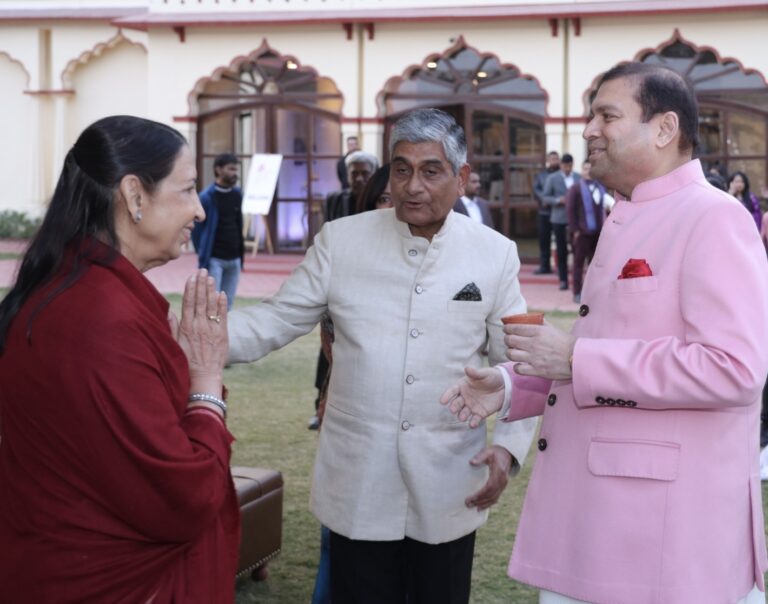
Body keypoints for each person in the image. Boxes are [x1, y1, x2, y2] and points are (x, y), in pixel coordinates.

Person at [441, 62, 768, 603]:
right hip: (603, 519)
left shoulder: (713, 218)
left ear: (664, 129)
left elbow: (733, 369)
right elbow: (604, 350)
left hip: (663, 538)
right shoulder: (631, 215)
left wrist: (574, 360)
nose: (589, 129)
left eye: (606, 115)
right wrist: (508, 383)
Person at [228, 107, 536, 603]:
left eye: (430, 170)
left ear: (460, 179)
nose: (412, 186)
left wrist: (508, 448)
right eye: (402, 168)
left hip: (451, 482)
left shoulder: (493, 252)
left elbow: (518, 366)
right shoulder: (342, 241)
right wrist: (190, 341)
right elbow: (274, 320)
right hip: (359, 482)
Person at [0, 116, 238, 603]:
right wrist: (206, 382)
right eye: (188, 189)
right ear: (134, 196)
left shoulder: (74, 288)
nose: (198, 210)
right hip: (110, 581)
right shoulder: (101, 318)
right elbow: (183, 500)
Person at [191, 152, 244, 309]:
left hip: (234, 259)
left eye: (236, 169)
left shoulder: (237, 194)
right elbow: (197, 230)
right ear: (219, 169)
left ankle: (224, 334)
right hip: (214, 259)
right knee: (212, 304)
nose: (235, 173)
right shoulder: (207, 197)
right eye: (231, 169)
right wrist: (203, 252)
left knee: (228, 305)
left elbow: (238, 223)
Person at [565, 160, 610, 304]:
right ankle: (577, 292)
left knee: (595, 266)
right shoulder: (576, 188)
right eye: (585, 168)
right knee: (578, 265)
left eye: (590, 168)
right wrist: (575, 231)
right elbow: (570, 211)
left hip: (598, 233)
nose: (588, 171)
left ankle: (592, 292)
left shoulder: (602, 187)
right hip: (582, 233)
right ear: (582, 171)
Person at [542, 153, 580, 290]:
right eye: (565, 166)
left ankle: (577, 279)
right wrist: (558, 200)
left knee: (577, 250)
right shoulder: (552, 178)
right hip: (558, 218)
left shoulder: (578, 177)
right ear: (561, 165)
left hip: (575, 219)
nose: (567, 169)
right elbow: (545, 197)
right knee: (561, 249)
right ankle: (563, 280)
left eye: (569, 166)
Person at [532, 151, 560, 274]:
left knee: (561, 241)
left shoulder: (562, 175)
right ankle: (545, 266)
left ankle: (561, 267)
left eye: (556, 158)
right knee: (544, 241)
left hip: (559, 212)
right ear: (548, 160)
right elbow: (536, 190)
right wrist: (544, 199)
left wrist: (554, 201)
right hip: (544, 213)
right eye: (552, 158)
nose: (554, 160)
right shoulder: (541, 175)